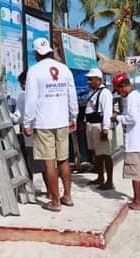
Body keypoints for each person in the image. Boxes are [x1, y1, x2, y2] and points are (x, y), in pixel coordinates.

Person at [23, 39, 78, 212]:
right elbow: (72, 94)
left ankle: (55, 201)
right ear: (50, 51)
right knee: (64, 160)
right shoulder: (64, 69)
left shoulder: (34, 71)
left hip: (43, 122)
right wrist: (73, 116)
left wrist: (27, 122)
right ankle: (67, 196)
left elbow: (31, 100)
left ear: (35, 53)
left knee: (49, 163)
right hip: (62, 120)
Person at [112, 76, 140, 211]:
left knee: (134, 172)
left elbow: (132, 118)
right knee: (139, 171)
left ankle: (137, 200)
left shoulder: (132, 97)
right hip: (139, 140)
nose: (119, 93)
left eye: (119, 90)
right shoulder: (136, 95)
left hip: (134, 141)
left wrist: (118, 117)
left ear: (123, 87)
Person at [11, 71, 44, 185]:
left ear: (24, 83)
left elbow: (17, 118)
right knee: (48, 165)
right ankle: (51, 193)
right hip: (45, 133)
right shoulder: (43, 92)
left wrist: (7, 114)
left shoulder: (23, 95)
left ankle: (30, 189)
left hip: (30, 135)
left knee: (29, 165)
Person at [83, 68, 114, 190]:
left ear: (99, 80)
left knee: (105, 154)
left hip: (99, 125)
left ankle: (109, 181)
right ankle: (100, 177)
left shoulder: (105, 93)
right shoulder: (92, 92)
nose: (89, 81)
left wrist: (105, 129)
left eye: (91, 79)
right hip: (91, 124)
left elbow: (107, 112)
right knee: (96, 154)